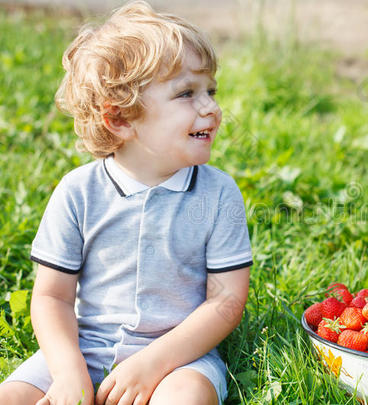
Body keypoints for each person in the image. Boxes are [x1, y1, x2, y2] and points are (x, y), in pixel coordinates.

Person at [0, 1, 252, 404]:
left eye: (210, 90)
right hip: (81, 348)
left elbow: (226, 299)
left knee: (185, 398)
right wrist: (69, 374)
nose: (212, 107)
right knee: (11, 397)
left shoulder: (218, 194)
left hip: (178, 356)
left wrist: (154, 363)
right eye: (187, 93)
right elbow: (52, 297)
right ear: (120, 120)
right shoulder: (77, 192)